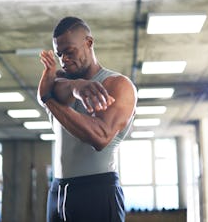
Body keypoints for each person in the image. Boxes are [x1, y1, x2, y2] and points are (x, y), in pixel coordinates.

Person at [38, 16, 137, 222]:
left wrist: (50, 99)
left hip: (96, 188)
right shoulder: (61, 82)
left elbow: (100, 137)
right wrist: (76, 87)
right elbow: (44, 91)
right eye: (60, 54)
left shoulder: (118, 85)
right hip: (58, 192)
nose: (64, 59)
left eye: (70, 52)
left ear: (89, 43)